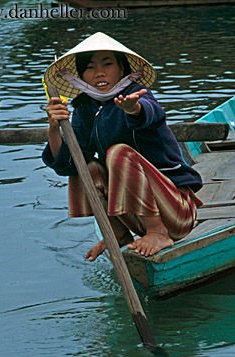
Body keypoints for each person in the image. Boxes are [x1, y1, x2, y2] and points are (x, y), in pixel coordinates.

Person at [42, 32, 203, 259]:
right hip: (136, 215)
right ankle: (116, 235)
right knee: (85, 167)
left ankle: (158, 232)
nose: (99, 72)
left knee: (118, 153)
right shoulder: (85, 109)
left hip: (176, 212)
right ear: (81, 76)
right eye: (90, 68)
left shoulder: (135, 95)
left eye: (107, 64)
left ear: (122, 69)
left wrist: (132, 110)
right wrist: (54, 129)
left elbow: (150, 113)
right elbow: (69, 164)